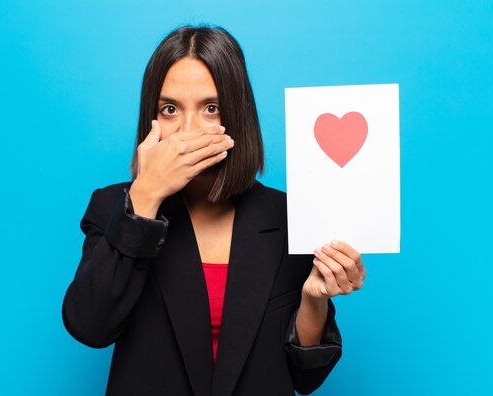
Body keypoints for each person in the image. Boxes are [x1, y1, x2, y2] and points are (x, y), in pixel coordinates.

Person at [62, 25, 366, 396]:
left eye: (211, 108)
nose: (189, 130)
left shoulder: (289, 216)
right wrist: (144, 197)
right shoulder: (116, 206)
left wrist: (313, 300)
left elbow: (305, 378)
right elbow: (90, 327)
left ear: (236, 116)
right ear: (151, 120)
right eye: (170, 109)